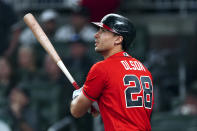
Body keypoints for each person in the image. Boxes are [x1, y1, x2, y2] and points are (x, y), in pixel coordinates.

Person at [70, 13, 154, 130]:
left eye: (103, 31)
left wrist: (79, 96)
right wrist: (99, 104)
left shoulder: (102, 68)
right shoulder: (144, 69)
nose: (96, 35)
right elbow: (126, 107)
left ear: (118, 39)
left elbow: (76, 111)